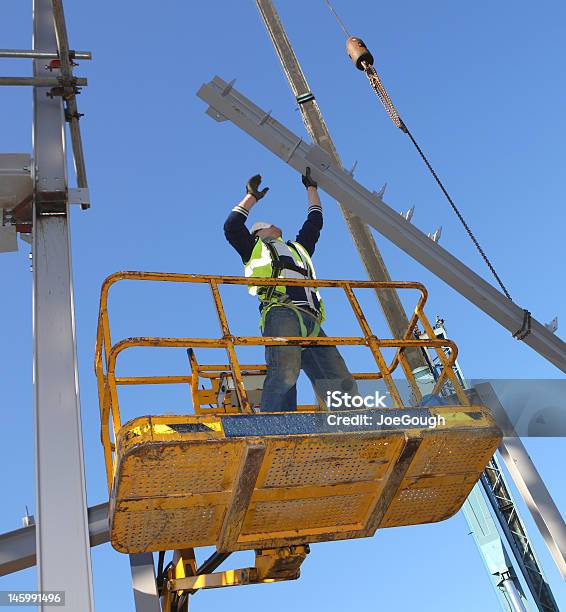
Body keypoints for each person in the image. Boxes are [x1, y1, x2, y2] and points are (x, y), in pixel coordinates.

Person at [223, 168, 358, 412]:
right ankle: (274, 428)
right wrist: (250, 197)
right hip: (281, 312)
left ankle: (357, 424)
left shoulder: (298, 248)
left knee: (337, 377)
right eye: (266, 225)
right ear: (258, 234)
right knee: (285, 373)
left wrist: (311, 188)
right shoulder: (254, 248)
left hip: (311, 321)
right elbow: (232, 227)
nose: (274, 225)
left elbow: (314, 223)